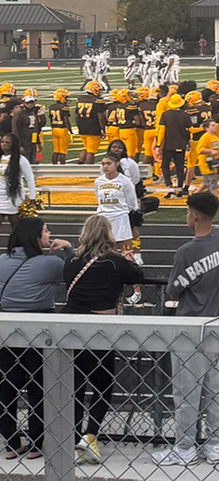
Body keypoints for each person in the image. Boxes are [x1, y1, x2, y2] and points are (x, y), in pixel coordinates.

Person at [155, 192, 219, 466]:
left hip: (191, 326)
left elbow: (174, 289)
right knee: (214, 387)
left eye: (187, 211)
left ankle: (185, 446)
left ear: (195, 215)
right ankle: (213, 444)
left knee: (186, 390)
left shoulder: (186, 252)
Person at [63, 215, 144, 464]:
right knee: (102, 386)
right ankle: (90, 435)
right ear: (108, 235)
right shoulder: (114, 263)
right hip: (100, 331)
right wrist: (128, 259)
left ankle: (74, 437)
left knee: (74, 387)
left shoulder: (72, 261)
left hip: (73, 329)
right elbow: (138, 276)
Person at [0, 218, 73, 460]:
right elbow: (74, 272)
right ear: (35, 236)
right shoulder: (48, 263)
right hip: (39, 332)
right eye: (45, 230)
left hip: (6, 331)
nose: (49, 233)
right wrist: (68, 249)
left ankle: (11, 443)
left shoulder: (1, 261)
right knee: (38, 388)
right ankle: (36, 442)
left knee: (6, 389)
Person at [0, 134, 36, 234]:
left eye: (7, 142)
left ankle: (18, 247)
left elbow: (30, 179)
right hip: (0, 196)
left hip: (13, 197)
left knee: (16, 226)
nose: (4, 144)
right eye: (2, 142)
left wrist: (32, 197)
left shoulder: (21, 160)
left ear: (13, 145)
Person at [156, 91, 190, 195]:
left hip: (168, 145)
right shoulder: (185, 115)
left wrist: (158, 145)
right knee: (179, 167)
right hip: (181, 144)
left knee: (165, 165)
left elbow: (161, 131)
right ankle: (180, 187)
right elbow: (190, 130)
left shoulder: (165, 115)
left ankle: (168, 185)